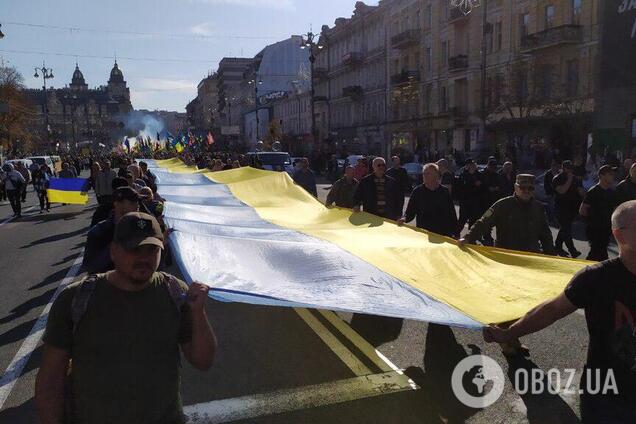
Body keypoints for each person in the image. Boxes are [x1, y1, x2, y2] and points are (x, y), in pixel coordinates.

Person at [36, 212, 217, 424]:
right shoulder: (75, 299)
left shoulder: (175, 293)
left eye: (151, 249)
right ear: (113, 251)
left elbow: (203, 361)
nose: (143, 258)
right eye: (134, 249)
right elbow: (50, 381)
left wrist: (198, 312)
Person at [483, 200, 636, 423]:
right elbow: (552, 309)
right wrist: (508, 333)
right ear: (620, 236)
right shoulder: (595, 278)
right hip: (606, 394)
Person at [460, 174, 555, 357]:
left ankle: (514, 337)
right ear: (515, 187)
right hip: (505, 263)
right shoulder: (503, 205)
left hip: (528, 264)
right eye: (523, 188)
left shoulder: (538, 208)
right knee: (506, 301)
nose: (527, 191)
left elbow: (545, 232)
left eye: (530, 188)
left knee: (523, 305)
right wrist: (469, 238)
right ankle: (505, 340)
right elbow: (482, 222)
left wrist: (552, 255)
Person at [83, 187, 141, 274]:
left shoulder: (142, 227)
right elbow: (91, 266)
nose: (137, 206)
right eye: (132, 202)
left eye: (137, 202)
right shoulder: (100, 231)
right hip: (109, 284)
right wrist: (117, 245)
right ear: (117, 204)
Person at [398, 163, 458, 237]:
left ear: (436, 175)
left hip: (443, 234)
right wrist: (404, 219)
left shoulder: (444, 191)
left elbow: (452, 214)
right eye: (424, 173)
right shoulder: (417, 191)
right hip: (424, 234)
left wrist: (456, 233)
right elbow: (410, 212)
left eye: (428, 173)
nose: (425, 176)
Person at [580, 165, 620, 262]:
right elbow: (582, 210)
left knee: (600, 254)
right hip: (595, 229)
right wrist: (592, 221)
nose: (612, 177)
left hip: (606, 229)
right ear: (602, 176)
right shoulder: (593, 191)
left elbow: (615, 210)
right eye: (609, 174)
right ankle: (587, 272)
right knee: (596, 253)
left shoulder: (611, 192)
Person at [553, 160, 584, 258]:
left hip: (573, 208)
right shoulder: (557, 178)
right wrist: (569, 180)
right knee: (567, 229)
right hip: (561, 208)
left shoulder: (576, 179)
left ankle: (557, 246)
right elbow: (562, 191)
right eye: (567, 168)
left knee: (564, 228)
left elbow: (581, 192)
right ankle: (572, 250)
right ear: (563, 168)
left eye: (570, 168)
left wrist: (582, 192)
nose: (569, 170)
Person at [456, 160, 484, 236]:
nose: (473, 166)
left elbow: (483, 186)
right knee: (462, 220)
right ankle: (456, 235)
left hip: (475, 202)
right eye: (471, 165)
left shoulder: (479, 175)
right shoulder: (463, 175)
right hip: (465, 201)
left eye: (474, 164)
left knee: (473, 221)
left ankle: (470, 238)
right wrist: (473, 183)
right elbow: (462, 188)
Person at [544, 159, 562, 223]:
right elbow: (548, 185)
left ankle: (557, 219)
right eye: (553, 166)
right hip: (550, 193)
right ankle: (551, 220)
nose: (555, 168)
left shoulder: (559, 173)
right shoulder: (548, 174)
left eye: (556, 166)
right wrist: (549, 193)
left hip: (558, 193)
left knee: (558, 207)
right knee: (551, 207)